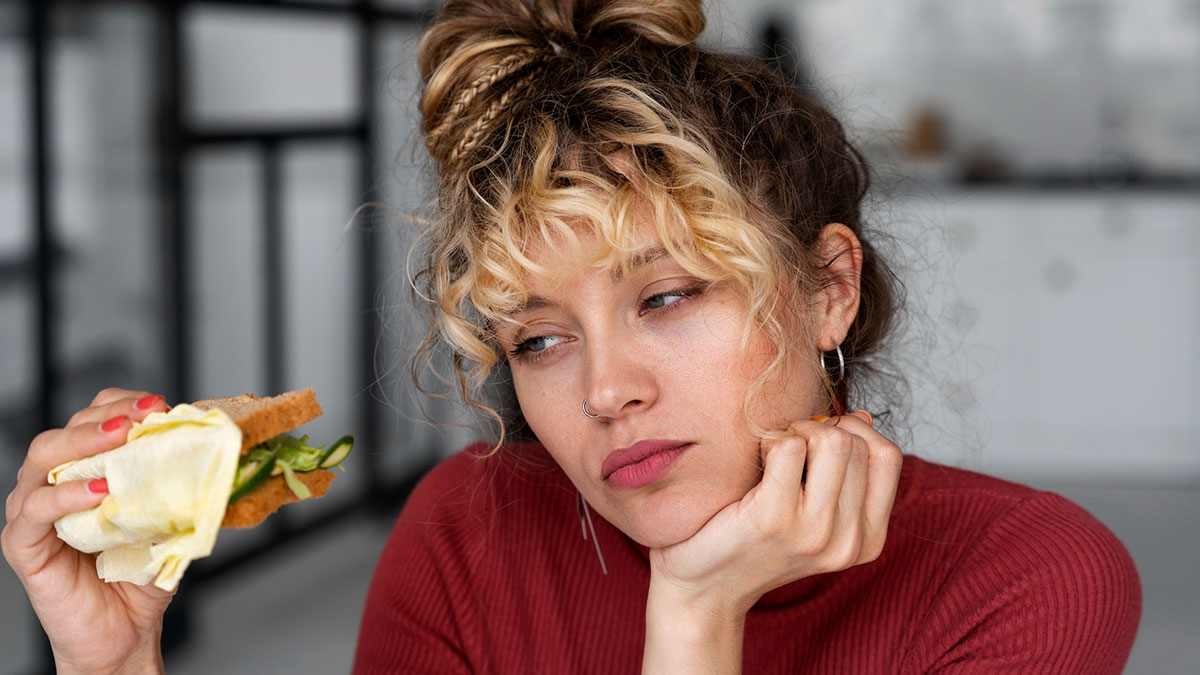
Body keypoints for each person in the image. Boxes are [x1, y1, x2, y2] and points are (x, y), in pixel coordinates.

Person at [3, 0, 1141, 673]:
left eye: (665, 298)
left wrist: (698, 617)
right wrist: (114, 665)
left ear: (826, 289)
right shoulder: (470, 534)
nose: (605, 393)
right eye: (539, 341)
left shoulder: (1025, 583)